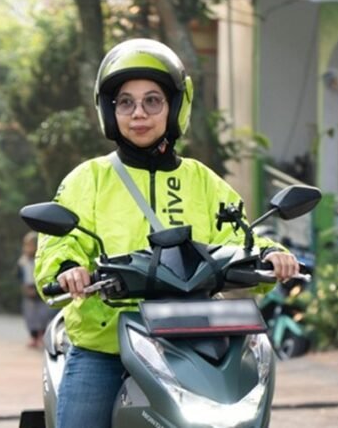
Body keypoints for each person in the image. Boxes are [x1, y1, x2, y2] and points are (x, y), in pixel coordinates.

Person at [34, 38, 299, 428]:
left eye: (152, 101)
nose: (139, 113)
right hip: (106, 344)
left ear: (175, 107)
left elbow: (240, 235)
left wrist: (270, 254)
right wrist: (68, 269)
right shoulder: (89, 178)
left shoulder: (202, 181)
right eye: (125, 102)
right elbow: (61, 240)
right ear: (110, 111)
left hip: (191, 337)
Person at [17, 231, 56, 348]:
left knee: (43, 314)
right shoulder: (22, 261)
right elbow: (20, 277)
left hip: (40, 289)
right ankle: (33, 336)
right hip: (28, 290)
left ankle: (41, 335)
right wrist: (25, 288)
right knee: (30, 316)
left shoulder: (41, 258)